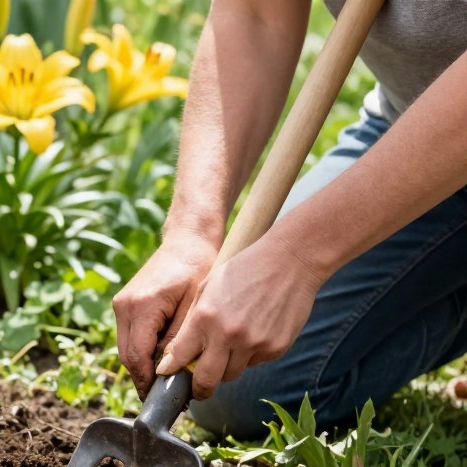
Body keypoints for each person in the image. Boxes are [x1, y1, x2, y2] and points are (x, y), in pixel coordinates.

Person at [112, 0, 467, 439]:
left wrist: (297, 257)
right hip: (415, 130)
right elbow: (257, 14)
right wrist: (193, 232)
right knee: (244, 386)